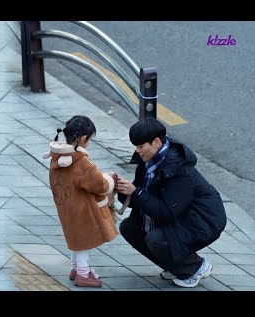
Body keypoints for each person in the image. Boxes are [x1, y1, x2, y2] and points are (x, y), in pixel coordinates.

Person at [116, 117, 226, 288]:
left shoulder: (179, 170)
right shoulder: (148, 162)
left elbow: (166, 213)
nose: (137, 151)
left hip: (203, 221)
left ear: (156, 142)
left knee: (156, 239)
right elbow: (138, 200)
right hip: (181, 215)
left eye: (140, 146)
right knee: (130, 227)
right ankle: (175, 266)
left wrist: (135, 192)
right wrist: (123, 190)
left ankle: (195, 267)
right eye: (135, 146)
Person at [42, 115, 118, 287]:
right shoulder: (81, 162)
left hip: (66, 207)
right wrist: (110, 181)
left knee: (75, 238)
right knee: (84, 240)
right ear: (84, 138)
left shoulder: (57, 158)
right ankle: (83, 274)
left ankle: (75, 268)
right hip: (83, 210)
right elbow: (98, 184)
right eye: (90, 139)